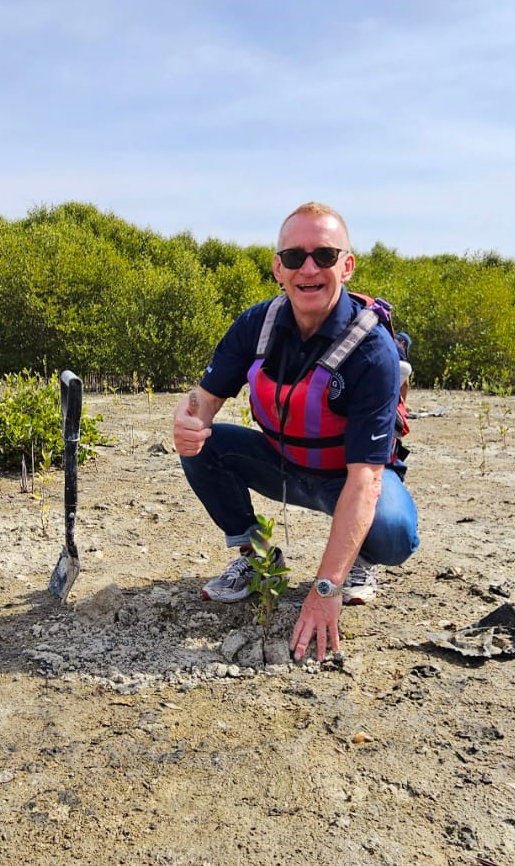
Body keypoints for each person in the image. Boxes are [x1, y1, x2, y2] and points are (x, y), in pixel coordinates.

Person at [173, 202, 419, 662]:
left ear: (346, 266)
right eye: (294, 257)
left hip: (347, 479)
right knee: (206, 448)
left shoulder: (372, 351)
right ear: (277, 268)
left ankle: (357, 562)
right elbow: (202, 400)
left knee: (393, 532)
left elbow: (365, 480)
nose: (309, 268)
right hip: (281, 464)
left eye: (324, 256)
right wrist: (188, 422)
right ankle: (258, 558)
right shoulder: (255, 325)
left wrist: (325, 588)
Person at [395, 331, 412, 403]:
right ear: (403, 343)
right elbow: (405, 383)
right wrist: (403, 404)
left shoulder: (387, 338)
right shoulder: (399, 347)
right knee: (407, 368)